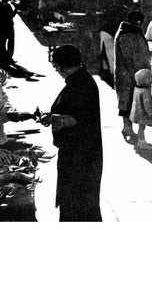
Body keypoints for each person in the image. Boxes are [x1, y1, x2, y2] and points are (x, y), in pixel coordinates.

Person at [40, 45, 103, 221]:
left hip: (80, 155)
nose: (56, 70)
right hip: (81, 153)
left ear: (63, 65)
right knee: (79, 203)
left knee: (76, 204)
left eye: (56, 66)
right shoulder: (80, 80)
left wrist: (53, 118)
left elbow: (77, 118)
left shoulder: (80, 85)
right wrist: (53, 117)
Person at [114, 10, 151, 142]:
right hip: (128, 75)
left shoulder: (131, 32)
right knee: (127, 102)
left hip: (134, 73)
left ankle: (129, 128)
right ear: (137, 22)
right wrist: (135, 74)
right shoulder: (125, 35)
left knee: (131, 101)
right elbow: (128, 57)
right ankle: (127, 128)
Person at [130, 68, 152, 150]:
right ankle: (142, 142)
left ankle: (140, 141)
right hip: (143, 115)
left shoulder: (137, 88)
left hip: (136, 113)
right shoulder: (145, 92)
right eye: (150, 78)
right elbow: (148, 105)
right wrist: (151, 115)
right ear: (145, 80)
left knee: (141, 127)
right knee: (142, 128)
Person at [0, 0, 17, 67]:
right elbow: (12, 15)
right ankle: (8, 58)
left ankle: (3, 59)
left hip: (2, 28)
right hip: (8, 27)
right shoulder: (7, 6)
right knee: (10, 42)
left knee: (2, 43)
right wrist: (16, 8)